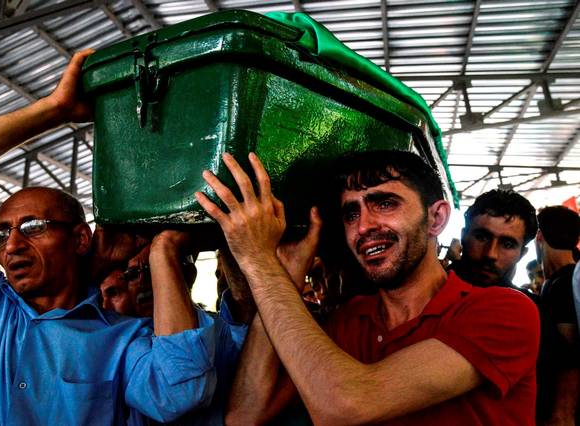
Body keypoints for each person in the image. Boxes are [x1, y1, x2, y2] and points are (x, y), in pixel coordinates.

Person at [0, 50, 243, 425]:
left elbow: (177, 393)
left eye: (32, 228)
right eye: (2, 233)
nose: (11, 245)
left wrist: (164, 250)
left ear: (80, 239)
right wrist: (54, 110)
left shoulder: (121, 338)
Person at [196, 150, 540, 425]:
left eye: (385, 203)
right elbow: (245, 415)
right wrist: (282, 277)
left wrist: (259, 262)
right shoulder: (350, 319)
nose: (364, 227)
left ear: (436, 219)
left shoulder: (505, 311)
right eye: (350, 213)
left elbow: (348, 404)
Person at [535, 206, 580, 425]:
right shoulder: (566, 279)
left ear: (539, 236)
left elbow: (569, 356)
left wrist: (561, 414)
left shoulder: (564, 284)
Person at [453, 189, 537, 288]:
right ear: (463, 236)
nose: (490, 254)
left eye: (507, 245)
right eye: (481, 238)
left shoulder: (528, 303)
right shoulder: (432, 289)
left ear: (522, 254)